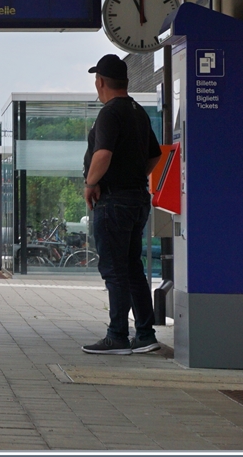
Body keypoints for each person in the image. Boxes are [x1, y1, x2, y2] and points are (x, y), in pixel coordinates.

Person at [81, 54, 163, 355]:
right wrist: (134, 175)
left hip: (113, 200)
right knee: (132, 268)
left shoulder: (110, 112)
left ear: (100, 82)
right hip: (137, 198)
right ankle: (145, 334)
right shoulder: (137, 112)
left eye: (96, 81)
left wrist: (90, 185)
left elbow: (102, 154)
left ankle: (117, 336)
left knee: (114, 269)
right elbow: (155, 155)